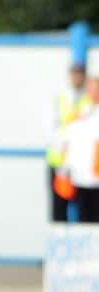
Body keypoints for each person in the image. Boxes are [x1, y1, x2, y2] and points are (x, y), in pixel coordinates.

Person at [47, 63, 91, 222]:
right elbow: (52, 129)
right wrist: (63, 157)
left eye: (80, 74)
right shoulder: (60, 97)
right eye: (74, 73)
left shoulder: (89, 98)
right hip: (60, 161)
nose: (77, 77)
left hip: (80, 163)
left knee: (84, 207)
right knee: (59, 207)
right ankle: (59, 244)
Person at [63, 76, 99, 222]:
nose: (93, 91)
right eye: (90, 88)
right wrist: (64, 168)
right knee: (83, 218)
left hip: (96, 175)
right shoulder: (80, 112)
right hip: (80, 176)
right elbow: (69, 140)